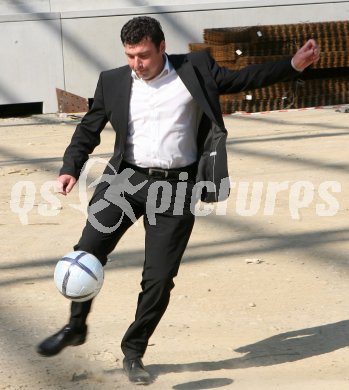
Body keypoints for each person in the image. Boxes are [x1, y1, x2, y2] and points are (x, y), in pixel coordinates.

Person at [36, 16, 320, 384]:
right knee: (85, 255)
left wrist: (292, 66)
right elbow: (89, 127)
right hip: (126, 179)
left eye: (143, 56)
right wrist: (70, 167)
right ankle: (76, 326)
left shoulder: (195, 69)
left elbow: (241, 79)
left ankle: (133, 352)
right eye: (130, 56)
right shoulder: (113, 80)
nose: (136, 64)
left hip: (175, 187)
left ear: (161, 47)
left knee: (158, 279)